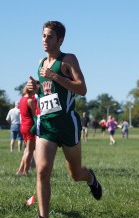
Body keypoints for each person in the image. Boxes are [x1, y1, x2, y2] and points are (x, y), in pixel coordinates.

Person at [27, 21, 102, 218]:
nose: (45, 39)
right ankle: (43, 216)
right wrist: (33, 90)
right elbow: (45, 94)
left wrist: (55, 76)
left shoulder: (68, 60)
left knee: (75, 174)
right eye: (43, 35)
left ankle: (91, 178)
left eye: (50, 36)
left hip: (68, 125)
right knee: (42, 171)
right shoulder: (41, 63)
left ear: (60, 40)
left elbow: (82, 89)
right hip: (47, 125)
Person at [16, 85, 36, 175]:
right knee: (30, 151)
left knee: (26, 150)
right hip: (29, 126)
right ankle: (26, 171)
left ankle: (20, 170)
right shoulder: (30, 101)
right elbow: (34, 114)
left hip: (23, 126)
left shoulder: (21, 99)